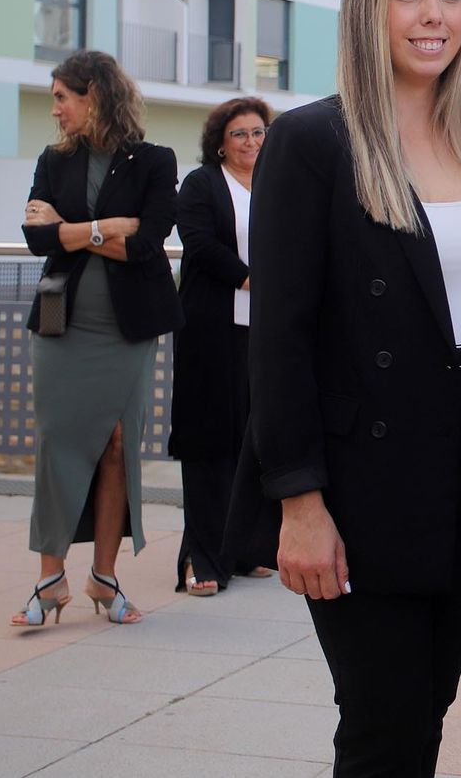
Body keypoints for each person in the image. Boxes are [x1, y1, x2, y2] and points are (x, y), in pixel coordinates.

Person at [244, 0, 461, 775]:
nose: (431, 15)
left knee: (426, 706)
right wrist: (299, 501)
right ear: (368, 9)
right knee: (383, 716)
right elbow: (280, 335)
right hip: (366, 475)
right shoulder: (311, 142)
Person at [14, 50, 181, 628]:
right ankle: (49, 580)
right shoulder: (52, 160)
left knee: (116, 445)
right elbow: (36, 241)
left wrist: (65, 228)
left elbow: (146, 241)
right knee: (56, 444)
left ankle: (105, 579)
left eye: (63, 97)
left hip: (127, 329)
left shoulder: (155, 161)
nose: (55, 109)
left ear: (95, 97)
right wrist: (102, 229)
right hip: (62, 328)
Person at [169, 96, 276, 596]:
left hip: (265, 333)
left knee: (255, 442)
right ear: (220, 143)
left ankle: (247, 549)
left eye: (258, 133)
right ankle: (203, 558)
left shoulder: (279, 183)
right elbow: (199, 242)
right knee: (210, 441)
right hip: (212, 332)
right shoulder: (201, 185)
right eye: (240, 134)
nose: (251, 142)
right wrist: (251, 279)